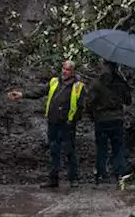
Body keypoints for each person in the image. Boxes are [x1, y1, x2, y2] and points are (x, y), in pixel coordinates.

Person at [8, 60, 86, 189]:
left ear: (73, 72)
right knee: (54, 150)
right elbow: (40, 92)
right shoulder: (54, 82)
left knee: (69, 151)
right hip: (53, 122)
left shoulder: (78, 87)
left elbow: (81, 106)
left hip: (67, 124)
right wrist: (22, 95)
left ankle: (73, 178)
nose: (64, 72)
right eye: (63, 68)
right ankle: (53, 179)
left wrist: (72, 120)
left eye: (67, 70)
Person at [85, 59, 132, 185]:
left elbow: (89, 102)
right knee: (118, 148)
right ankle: (119, 175)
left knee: (101, 148)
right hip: (117, 118)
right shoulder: (121, 82)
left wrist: (92, 116)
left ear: (105, 66)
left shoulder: (97, 83)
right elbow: (128, 100)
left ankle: (101, 175)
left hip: (101, 119)